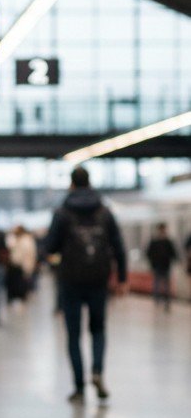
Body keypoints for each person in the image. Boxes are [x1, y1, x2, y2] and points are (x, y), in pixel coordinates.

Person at [45, 166, 127, 403]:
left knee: (73, 334)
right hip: (98, 279)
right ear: (89, 183)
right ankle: (98, 372)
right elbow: (119, 247)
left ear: (71, 184)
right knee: (98, 329)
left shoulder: (62, 212)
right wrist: (121, 278)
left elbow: (49, 246)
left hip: (70, 280)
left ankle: (79, 387)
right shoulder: (104, 211)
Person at [146, 222, 178, 310]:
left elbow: (174, 253)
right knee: (157, 283)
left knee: (165, 284)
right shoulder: (155, 241)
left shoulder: (168, 241)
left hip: (166, 265)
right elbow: (149, 253)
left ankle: (166, 300)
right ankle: (157, 300)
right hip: (158, 266)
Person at [6, 224, 37, 303]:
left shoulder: (27, 239)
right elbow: (9, 246)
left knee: (23, 284)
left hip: (24, 265)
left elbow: (31, 253)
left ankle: (23, 298)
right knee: (14, 283)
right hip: (14, 265)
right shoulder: (14, 239)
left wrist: (30, 265)